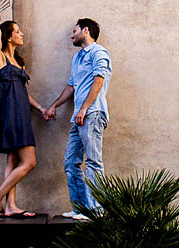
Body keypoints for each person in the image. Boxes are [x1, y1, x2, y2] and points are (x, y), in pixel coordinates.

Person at [44, 18, 111, 220]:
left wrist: (84, 108)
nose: (72, 35)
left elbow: (99, 81)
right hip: (79, 117)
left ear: (86, 30)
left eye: (74, 31)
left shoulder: (99, 52)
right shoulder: (77, 58)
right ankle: (82, 208)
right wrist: (53, 106)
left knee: (93, 162)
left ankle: (97, 210)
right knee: (70, 162)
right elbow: (71, 87)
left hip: (92, 113)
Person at [0, 20, 48, 218]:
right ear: (8, 37)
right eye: (18, 31)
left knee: (13, 159)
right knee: (29, 162)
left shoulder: (20, 62)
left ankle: (10, 206)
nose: (22, 34)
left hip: (21, 113)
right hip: (11, 114)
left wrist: (41, 108)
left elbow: (24, 93)